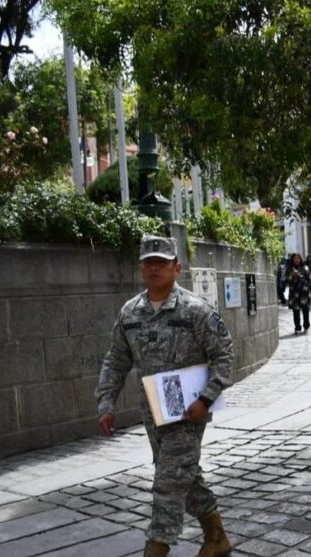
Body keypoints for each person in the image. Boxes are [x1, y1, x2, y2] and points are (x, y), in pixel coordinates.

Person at [95, 235, 234, 557]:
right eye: (148, 263)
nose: (154, 268)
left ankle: (156, 548)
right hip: (153, 413)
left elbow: (224, 355)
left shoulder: (196, 310)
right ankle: (217, 537)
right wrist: (106, 404)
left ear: (177, 268)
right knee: (183, 474)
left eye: (161, 262)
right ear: (141, 268)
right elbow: (116, 360)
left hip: (189, 411)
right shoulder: (130, 312)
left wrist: (206, 399)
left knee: (169, 483)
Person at [286, 253, 311, 334]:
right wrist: (292, 276)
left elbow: (310, 280)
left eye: (298, 258)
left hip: (304, 293)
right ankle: (297, 327)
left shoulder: (305, 268)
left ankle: (306, 326)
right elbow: (286, 280)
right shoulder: (289, 269)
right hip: (294, 294)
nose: (297, 260)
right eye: (295, 258)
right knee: (296, 311)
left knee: (305, 311)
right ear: (292, 260)